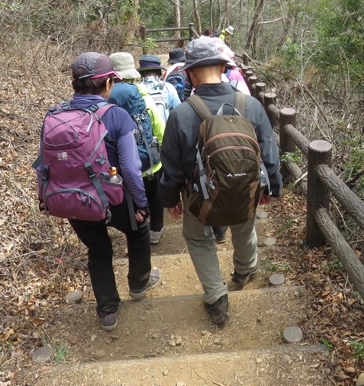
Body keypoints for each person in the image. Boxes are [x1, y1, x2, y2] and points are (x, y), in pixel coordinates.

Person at [159, 37, 282, 325]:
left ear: (190, 73)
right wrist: (271, 187)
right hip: (246, 189)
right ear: (224, 68)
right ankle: (244, 270)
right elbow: (269, 151)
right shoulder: (250, 105)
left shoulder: (182, 113)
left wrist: (170, 200)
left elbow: (172, 168)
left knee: (198, 240)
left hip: (199, 198)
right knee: (244, 226)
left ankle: (216, 298)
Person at [39, 52, 160, 331]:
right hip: (115, 197)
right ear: (107, 84)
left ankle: (107, 311)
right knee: (138, 231)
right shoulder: (116, 115)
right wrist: (142, 203)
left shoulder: (55, 115)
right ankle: (139, 283)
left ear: (74, 84)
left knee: (98, 249)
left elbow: (42, 165)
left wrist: (42, 197)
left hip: (74, 198)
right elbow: (130, 169)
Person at [109, 52, 167, 245]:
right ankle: (156, 229)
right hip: (150, 162)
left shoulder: (105, 101)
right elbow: (159, 128)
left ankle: (135, 228)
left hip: (121, 166)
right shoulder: (144, 98)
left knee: (131, 199)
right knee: (155, 197)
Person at [137, 54, 181, 122]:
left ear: (140, 73)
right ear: (159, 72)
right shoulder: (168, 87)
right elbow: (178, 111)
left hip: (144, 131)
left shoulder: (136, 89)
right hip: (165, 130)